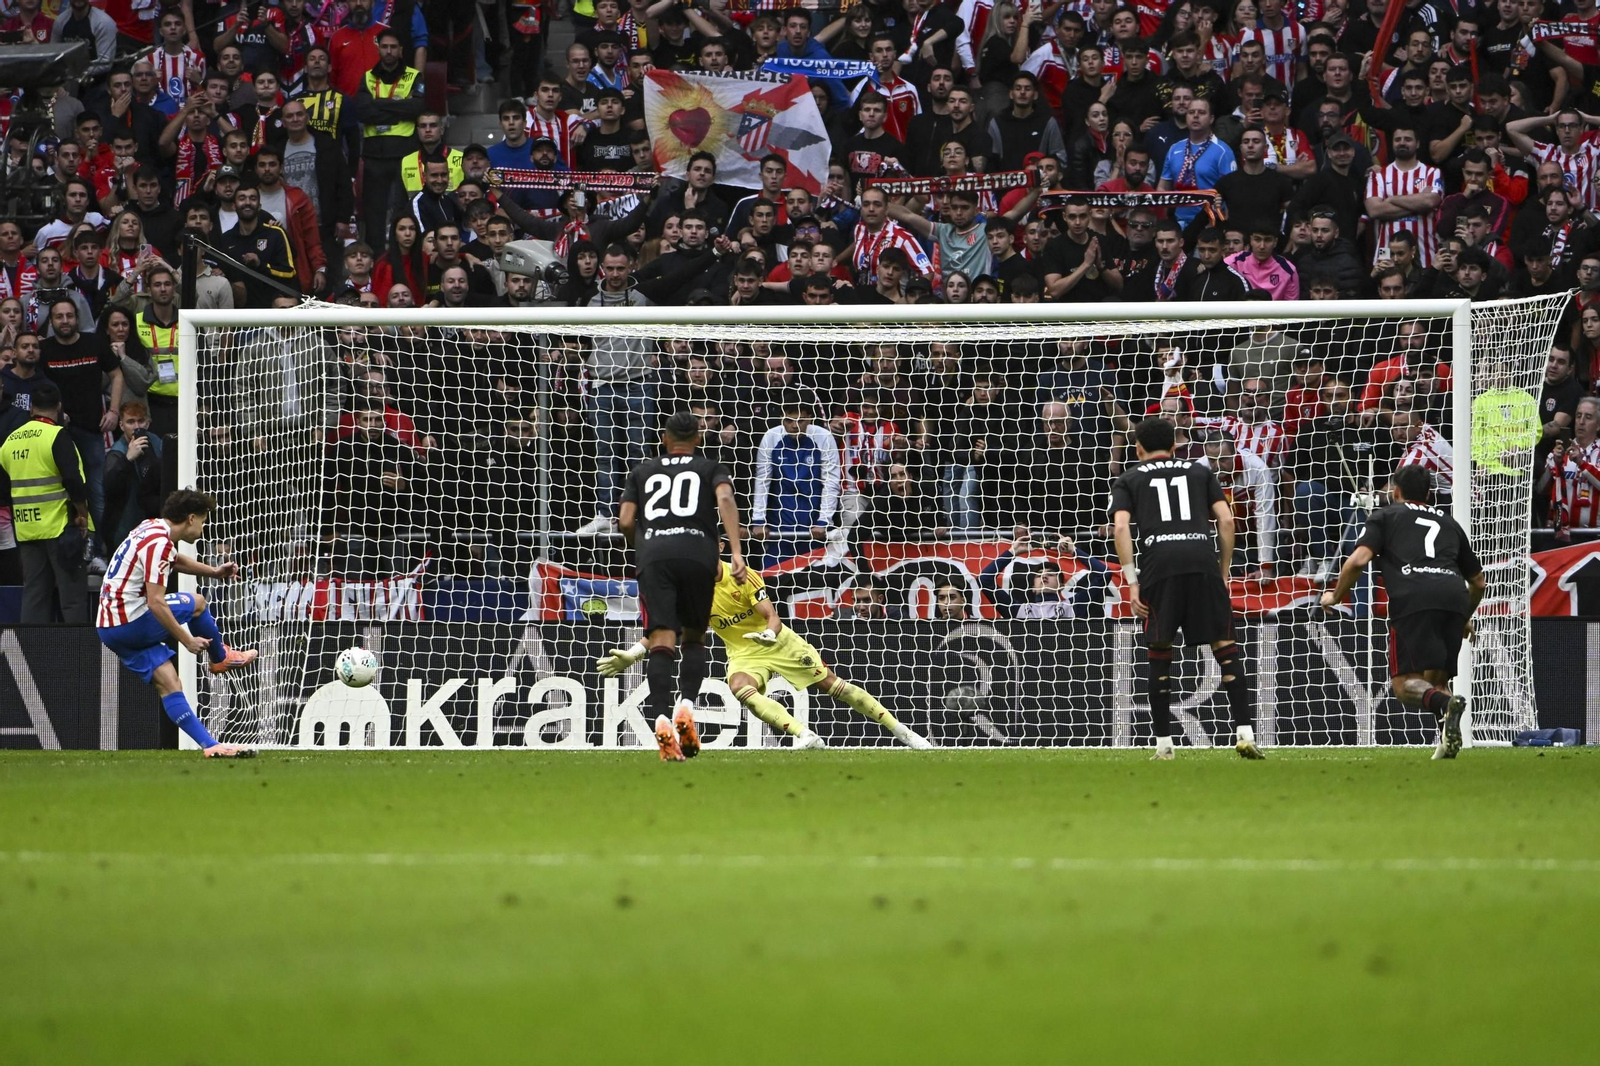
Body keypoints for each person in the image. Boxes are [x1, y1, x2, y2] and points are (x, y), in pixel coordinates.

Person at [599, 547, 935, 750]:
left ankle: (903, 732)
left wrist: (771, 636)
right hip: (744, 653)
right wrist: (634, 654)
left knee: (834, 687)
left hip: (779, 642)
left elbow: (772, 617)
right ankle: (803, 734)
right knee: (739, 687)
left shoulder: (743, 576)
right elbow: (667, 630)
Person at [1110, 417, 1264, 760]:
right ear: (1176, 445)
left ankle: (1164, 745)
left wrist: (1131, 581)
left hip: (1158, 566)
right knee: (1224, 646)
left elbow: (1121, 529)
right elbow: (1226, 520)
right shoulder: (1199, 471)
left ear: (1137, 448)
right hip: (1200, 560)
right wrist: (1223, 571)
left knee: (1160, 650)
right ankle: (1245, 733)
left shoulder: (1129, 478)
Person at [607, 411, 747, 762]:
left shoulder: (642, 471)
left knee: (661, 639)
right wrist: (736, 552)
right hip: (700, 554)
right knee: (694, 636)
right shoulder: (710, 467)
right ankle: (686, 704)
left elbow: (625, 520)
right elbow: (726, 500)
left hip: (655, 555)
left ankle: (660, 718)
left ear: (664, 439)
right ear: (698, 439)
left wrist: (642, 547)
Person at [1319, 465, 1485, 759]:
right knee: (1436, 683)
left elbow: (1358, 561)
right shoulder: (1449, 522)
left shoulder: (1385, 515)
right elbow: (1478, 582)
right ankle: (1447, 750)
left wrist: (1335, 595)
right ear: (1430, 494)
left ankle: (1446, 707)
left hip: (1414, 597)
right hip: (1453, 596)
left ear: (1395, 491)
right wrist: (1465, 616)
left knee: (1404, 683)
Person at [95, 488, 258, 759]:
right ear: (191, 519)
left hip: (109, 628)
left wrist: (214, 572)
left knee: (169, 683)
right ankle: (220, 657)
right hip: (130, 621)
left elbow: (173, 560)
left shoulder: (150, 528)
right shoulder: (160, 543)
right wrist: (187, 639)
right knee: (197, 603)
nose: (204, 528)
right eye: (204, 521)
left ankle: (211, 746)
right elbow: (156, 602)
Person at [0, 382, 91, 623]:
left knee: (34, 596)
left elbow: (2, 488)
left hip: (26, 529)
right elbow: (73, 479)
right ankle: (77, 658)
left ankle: (33, 658)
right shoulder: (57, 436)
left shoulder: (11, 441)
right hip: (60, 528)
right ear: (59, 407)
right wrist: (82, 514)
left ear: (31, 409)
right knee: (71, 597)